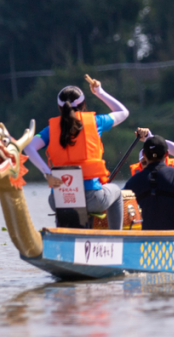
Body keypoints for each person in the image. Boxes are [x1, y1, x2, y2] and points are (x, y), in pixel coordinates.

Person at [24, 75, 129, 229]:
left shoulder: (50, 130)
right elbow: (123, 112)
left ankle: (64, 235)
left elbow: (28, 147)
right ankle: (116, 239)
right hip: (93, 199)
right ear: (83, 104)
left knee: (62, 201)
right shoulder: (96, 122)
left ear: (60, 107)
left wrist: (47, 174)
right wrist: (99, 92)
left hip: (60, 200)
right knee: (118, 193)